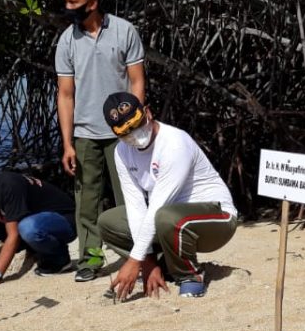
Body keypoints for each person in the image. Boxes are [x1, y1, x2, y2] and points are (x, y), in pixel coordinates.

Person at [98, 92, 238, 300]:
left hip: (216, 218)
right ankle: (163, 265)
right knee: (108, 222)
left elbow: (157, 206)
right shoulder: (121, 152)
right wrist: (147, 262)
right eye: (125, 132)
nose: (134, 133)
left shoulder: (174, 143)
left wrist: (135, 260)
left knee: (164, 216)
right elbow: (136, 206)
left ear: (148, 112)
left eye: (137, 123)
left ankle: (190, 275)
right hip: (169, 219)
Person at [55, 0, 146, 282]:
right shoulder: (67, 40)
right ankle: (90, 260)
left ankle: (136, 256)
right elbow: (65, 94)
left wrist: (135, 124)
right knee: (87, 202)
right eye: (66, 2)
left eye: (73, 3)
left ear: (92, 3)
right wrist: (67, 143)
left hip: (123, 133)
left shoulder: (123, 31)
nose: (67, 8)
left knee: (129, 198)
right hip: (85, 134)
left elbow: (137, 80)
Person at [0, 159, 77, 288]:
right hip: (37, 223)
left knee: (26, 228)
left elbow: (14, 235)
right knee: (4, 228)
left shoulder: (9, 185)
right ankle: (36, 251)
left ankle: (60, 259)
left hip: (65, 220)